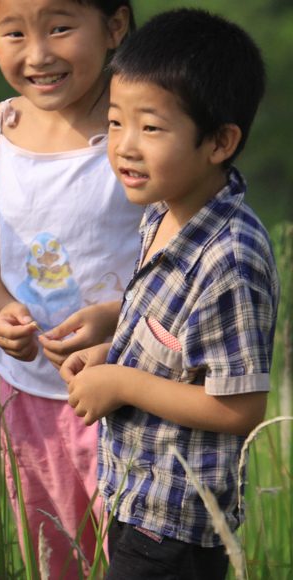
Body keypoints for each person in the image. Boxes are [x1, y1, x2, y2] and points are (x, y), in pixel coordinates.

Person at [61, 9, 277, 579]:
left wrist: (121, 382)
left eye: (151, 128)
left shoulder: (231, 257)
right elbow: (180, 339)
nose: (125, 147)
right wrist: (113, 334)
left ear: (219, 141)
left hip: (177, 522)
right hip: (137, 493)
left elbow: (239, 405)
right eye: (114, 122)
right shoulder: (165, 210)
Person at [0, 0, 142, 575]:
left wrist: (114, 319)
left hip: (129, 387)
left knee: (134, 554)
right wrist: (5, 313)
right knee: (52, 556)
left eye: (60, 28)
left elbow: (177, 263)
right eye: (13, 32)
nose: (37, 54)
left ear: (114, 26)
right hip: (30, 394)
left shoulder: (140, 122)